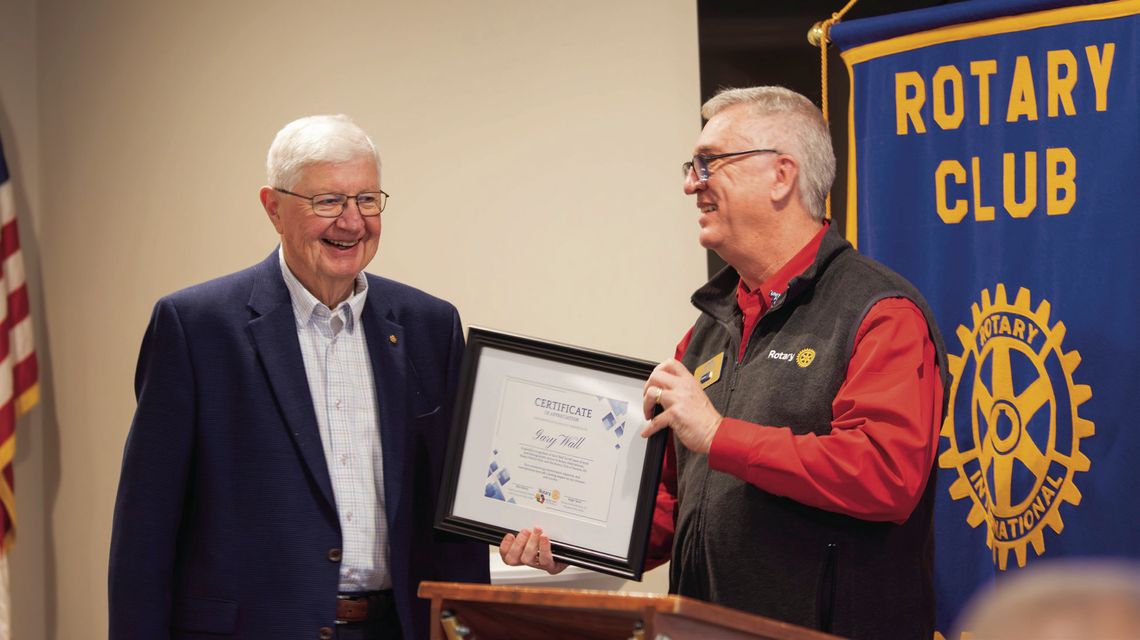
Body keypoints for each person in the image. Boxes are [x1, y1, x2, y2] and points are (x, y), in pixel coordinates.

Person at [500, 87, 948, 640]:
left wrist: (719, 435)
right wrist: (572, 543)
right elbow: (671, 502)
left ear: (782, 175)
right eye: (693, 165)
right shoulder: (709, 328)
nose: (691, 183)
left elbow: (884, 473)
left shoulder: (879, 312)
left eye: (710, 163)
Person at [109, 114, 489, 640]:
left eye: (367, 199)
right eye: (328, 201)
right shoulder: (196, 328)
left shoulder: (430, 326)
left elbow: (454, 526)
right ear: (273, 208)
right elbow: (144, 532)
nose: (352, 221)